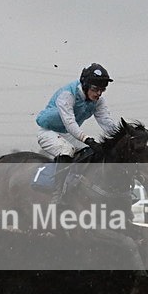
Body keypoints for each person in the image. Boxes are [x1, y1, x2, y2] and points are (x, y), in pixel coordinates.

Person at [35, 63, 121, 203]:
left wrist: (122, 136)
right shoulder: (67, 95)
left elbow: (106, 122)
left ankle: (79, 187)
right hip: (48, 132)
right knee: (66, 150)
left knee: (90, 152)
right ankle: (57, 194)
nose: (99, 93)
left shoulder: (98, 101)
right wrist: (87, 139)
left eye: (102, 90)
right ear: (85, 85)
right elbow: (70, 123)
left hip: (68, 134)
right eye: (95, 89)